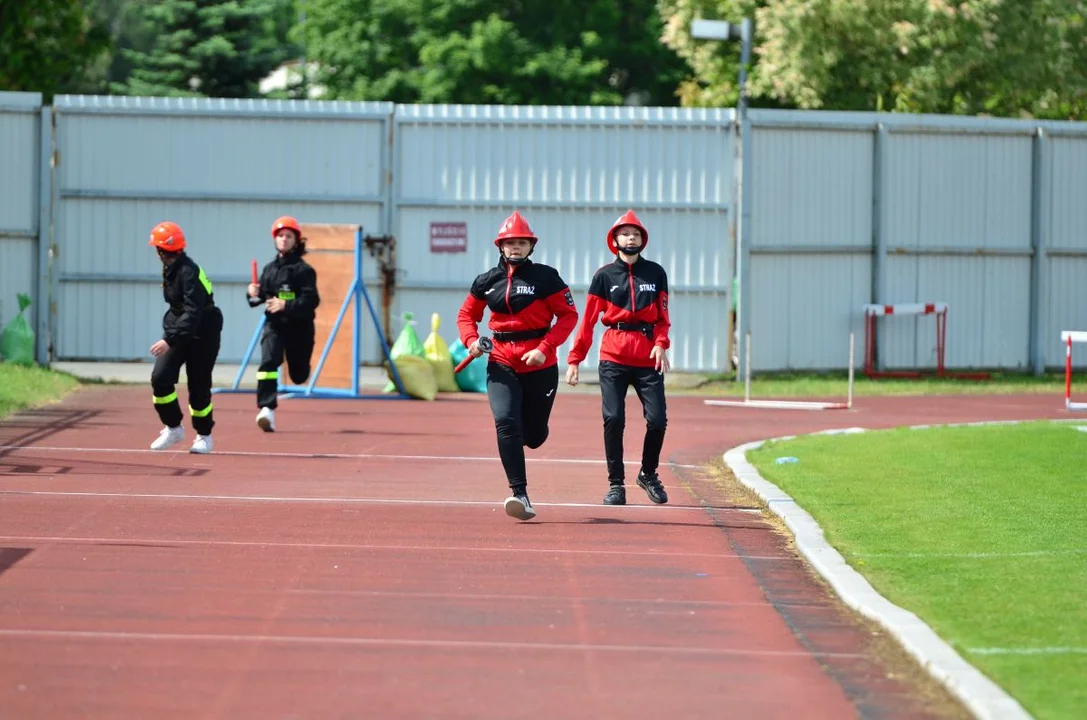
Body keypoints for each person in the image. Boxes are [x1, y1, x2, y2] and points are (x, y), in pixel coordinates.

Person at [457, 210, 579, 521]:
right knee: (506, 422)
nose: (515, 247)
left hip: (540, 363)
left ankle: (533, 432)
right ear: (500, 245)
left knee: (534, 436)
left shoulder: (546, 277)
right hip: (501, 361)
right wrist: (471, 340)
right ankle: (519, 493)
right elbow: (466, 316)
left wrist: (544, 348)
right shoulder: (486, 281)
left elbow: (568, 316)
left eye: (522, 242)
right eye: (510, 242)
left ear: (530, 247)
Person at [565, 210, 671, 506]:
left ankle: (648, 474)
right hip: (613, 357)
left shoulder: (656, 273)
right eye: (625, 234)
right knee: (613, 418)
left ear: (642, 240)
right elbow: (587, 322)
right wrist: (574, 360)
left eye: (636, 234)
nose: (631, 238)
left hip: (648, 357)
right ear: (615, 240)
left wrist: (661, 343)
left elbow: (663, 318)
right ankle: (616, 484)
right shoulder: (603, 277)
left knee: (658, 421)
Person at [147, 221, 224, 454]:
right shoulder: (170, 268)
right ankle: (173, 428)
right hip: (179, 327)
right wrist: (171, 334)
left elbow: (193, 312)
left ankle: (204, 435)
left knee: (198, 385)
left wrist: (169, 340)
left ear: (162, 250)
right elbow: (178, 309)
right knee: (161, 377)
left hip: (203, 331)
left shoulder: (189, 271)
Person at [246, 216, 320, 432]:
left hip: (300, 329)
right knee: (268, 362)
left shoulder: (304, 270)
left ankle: (302, 369)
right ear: (275, 239)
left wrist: (285, 305)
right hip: (275, 326)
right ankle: (267, 408)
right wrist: (252, 293)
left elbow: (312, 301)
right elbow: (260, 297)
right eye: (280, 236)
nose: (284, 239)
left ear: (296, 240)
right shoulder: (269, 269)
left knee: (298, 376)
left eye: (289, 236)